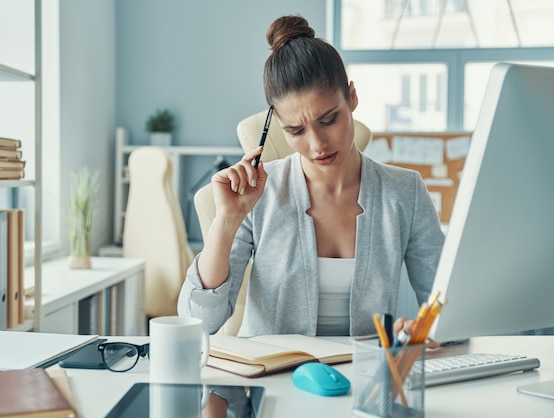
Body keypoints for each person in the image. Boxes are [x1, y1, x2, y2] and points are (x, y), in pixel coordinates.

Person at [178, 15, 444, 338]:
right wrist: (226, 221)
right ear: (278, 126)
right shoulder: (260, 194)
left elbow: (448, 308)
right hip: (272, 381)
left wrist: (424, 327)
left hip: (364, 380)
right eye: (296, 130)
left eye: (329, 120)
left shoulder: (405, 192)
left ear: (352, 98)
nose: (317, 145)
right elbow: (198, 322)